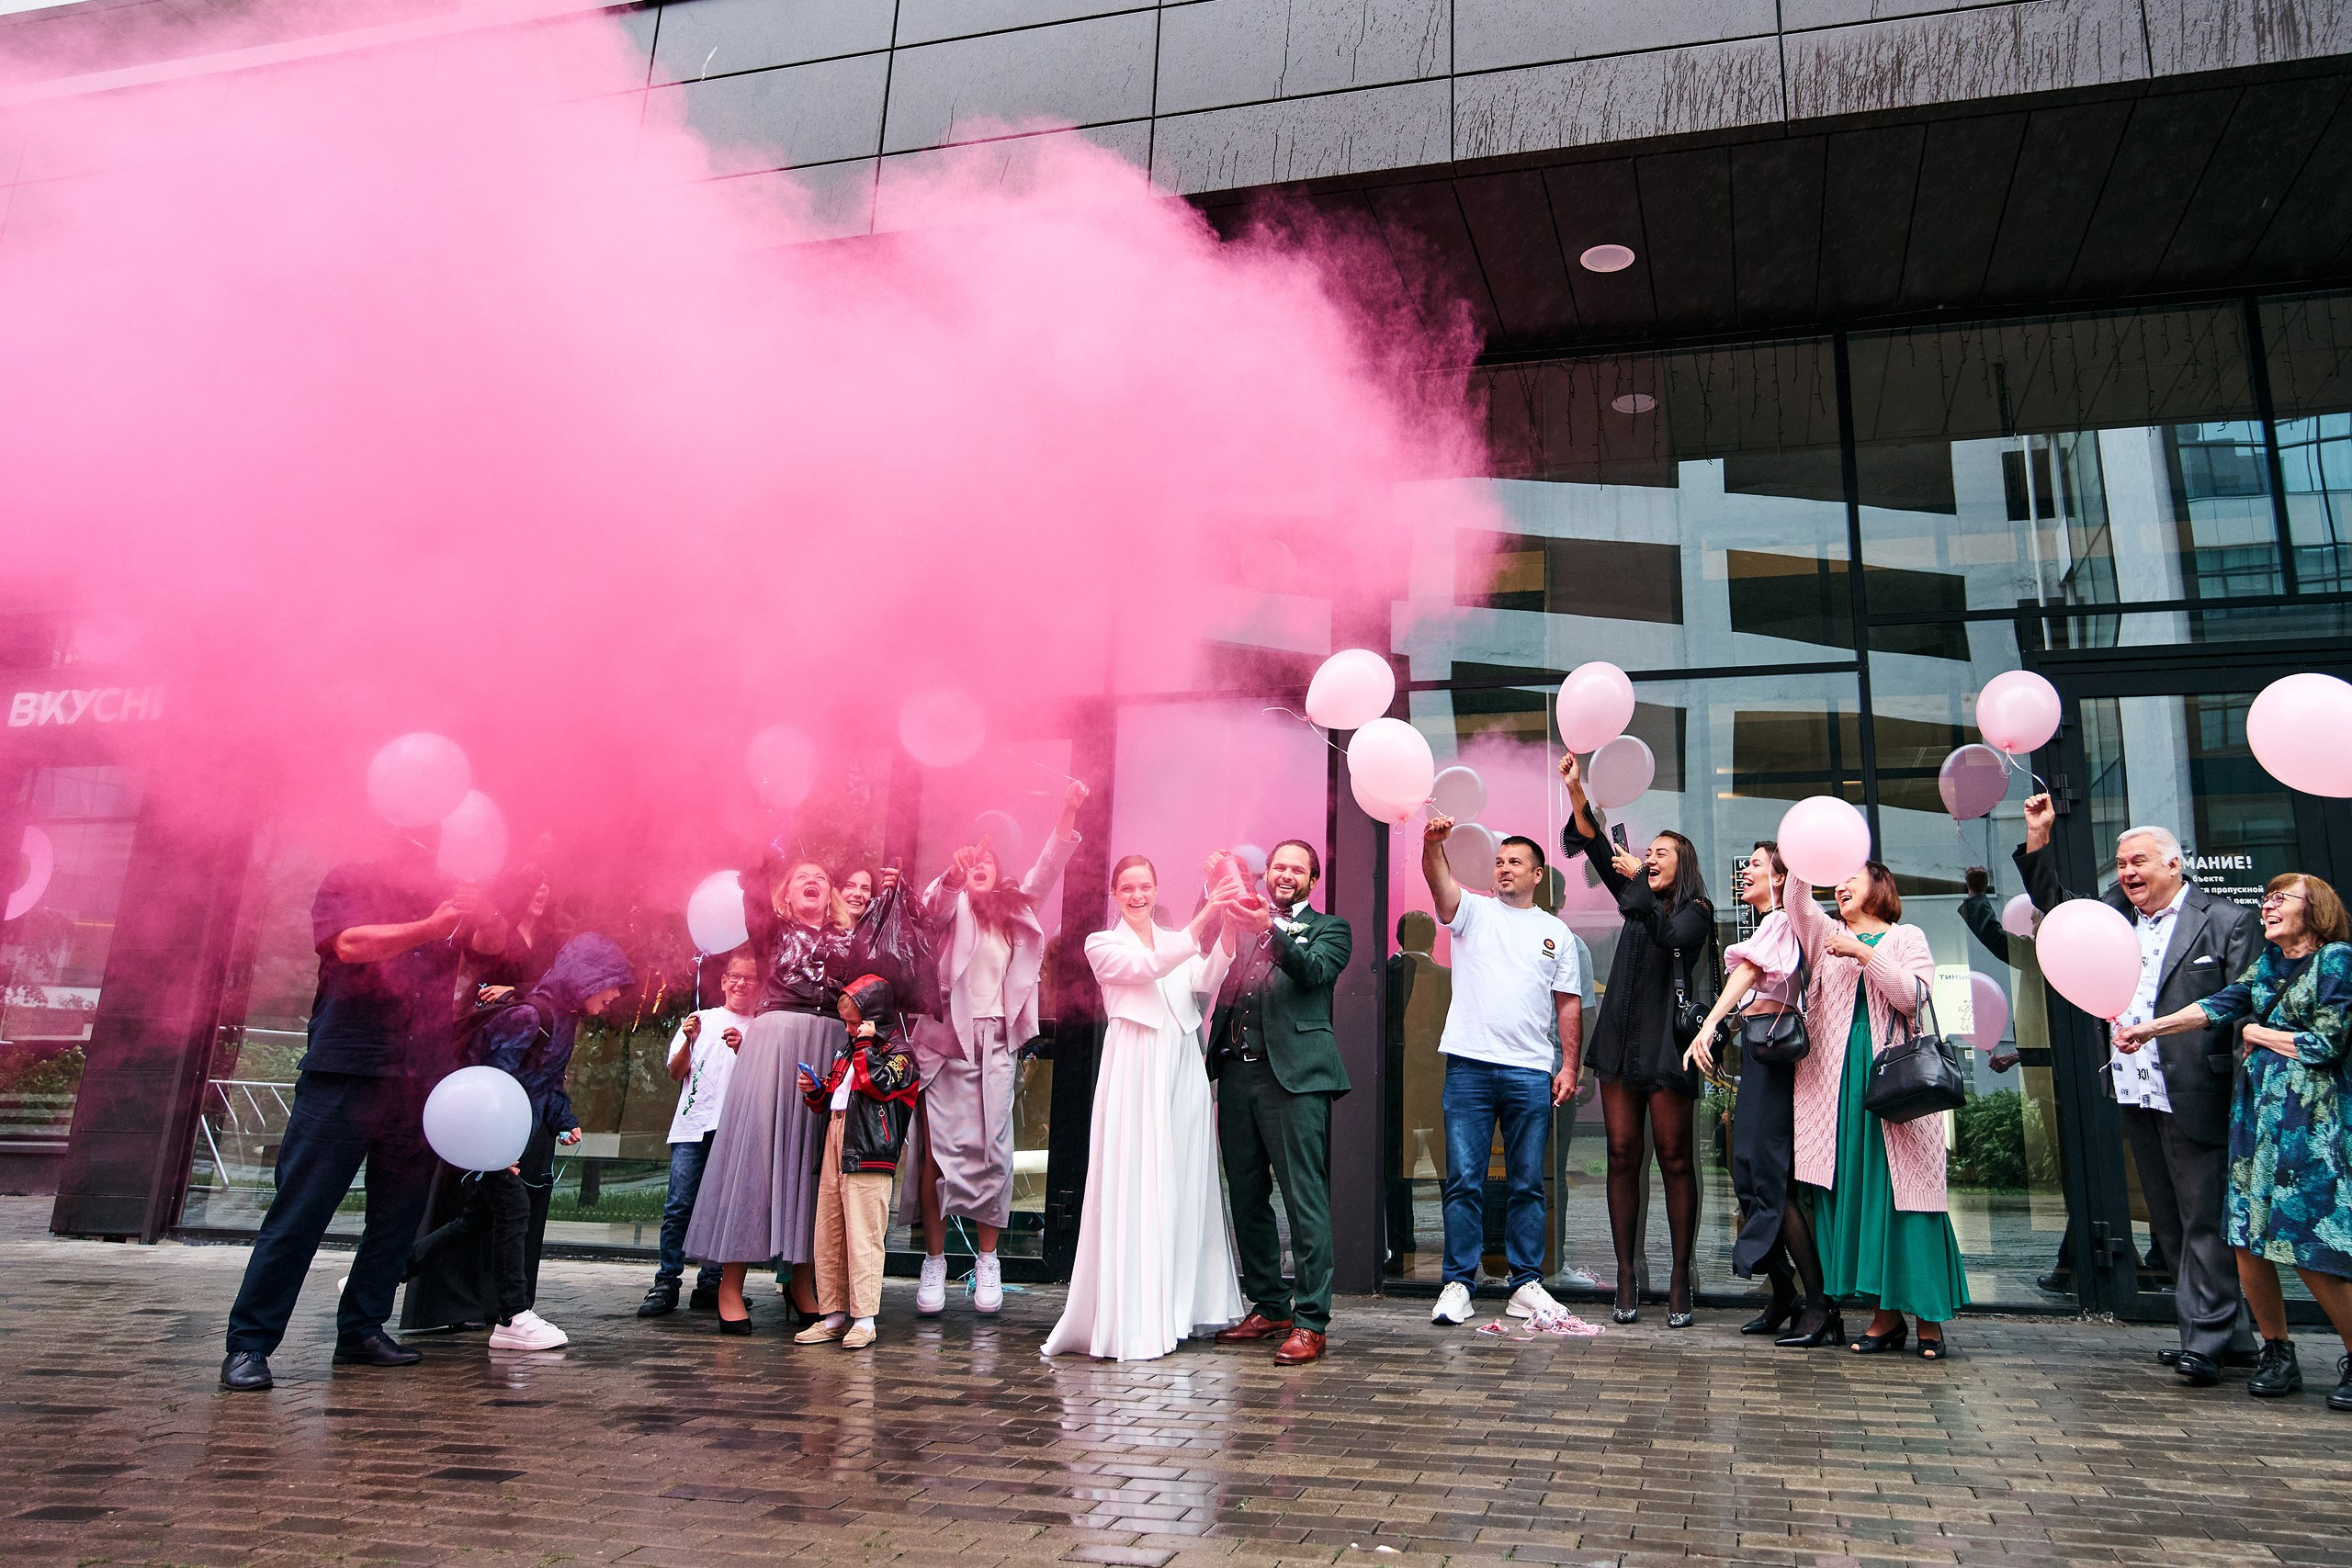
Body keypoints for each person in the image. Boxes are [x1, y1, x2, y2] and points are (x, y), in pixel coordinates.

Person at [219, 832, 508, 1392]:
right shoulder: (351, 877)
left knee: (396, 1220)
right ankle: (249, 1345)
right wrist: (431, 924)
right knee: (300, 1214)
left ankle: (362, 1329)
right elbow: (349, 944)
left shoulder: (452, 893)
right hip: (345, 1074)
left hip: (419, 1078)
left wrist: (483, 904)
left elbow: (494, 946)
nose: (429, 852)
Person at [2017, 798, 2261, 1382]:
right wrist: (2038, 839)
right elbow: (2058, 912)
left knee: (2204, 1217)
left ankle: (2208, 1339)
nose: (2127, 873)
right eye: (2122, 864)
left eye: (2140, 862)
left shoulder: (2225, 920)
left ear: (2175, 865)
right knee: (2171, 1222)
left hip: (2197, 1091)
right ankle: (2224, 1336)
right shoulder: (2114, 915)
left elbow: (2248, 1003)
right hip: (2134, 1089)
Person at [2118, 872, 2352, 1411]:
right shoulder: (2268, 963)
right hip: (2257, 1119)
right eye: (2265, 898)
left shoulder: (2336, 959)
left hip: (2309, 1123)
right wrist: (2147, 1031)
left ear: (2313, 908)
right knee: (2246, 1239)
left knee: (2313, 1245)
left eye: (2280, 899)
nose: (2267, 907)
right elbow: (2217, 1006)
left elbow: (2327, 1042)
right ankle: (2277, 1351)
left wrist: (2257, 1034)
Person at [1043, 855, 1244, 1360]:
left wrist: (1229, 929)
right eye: (1128, 887)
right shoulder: (1102, 943)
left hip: (1180, 1060)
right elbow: (1144, 968)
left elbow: (1203, 978)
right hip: (1136, 1062)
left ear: (1156, 889)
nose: (1137, 895)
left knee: (1182, 1176)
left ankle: (1179, 1307)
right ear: (1115, 893)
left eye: (1145, 886)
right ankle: (1134, 1314)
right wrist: (1202, 921)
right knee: (1140, 1176)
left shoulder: (1175, 936)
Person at [402, 933, 635, 1350]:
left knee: (475, 1221)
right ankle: (513, 1317)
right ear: (587, 978)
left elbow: (544, 1081)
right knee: (514, 1212)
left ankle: (384, 1272)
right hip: (490, 1142)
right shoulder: (529, 1017)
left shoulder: (564, 1018)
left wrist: (564, 1120)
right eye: (611, 983)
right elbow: (491, 1082)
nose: (615, 995)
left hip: (503, 1142)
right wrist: (496, 1148)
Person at [909, 778, 1088, 1317]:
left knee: (994, 1157)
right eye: (974, 856)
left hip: (996, 1047)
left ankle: (989, 1261)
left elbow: (1048, 868)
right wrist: (951, 876)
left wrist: (1067, 809)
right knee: (940, 1158)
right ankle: (934, 1262)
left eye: (992, 857)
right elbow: (929, 904)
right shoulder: (950, 906)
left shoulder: (1015, 908)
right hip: (947, 1046)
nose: (982, 863)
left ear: (1001, 868)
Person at [1783, 861, 1965, 1358]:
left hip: (1896, 1084)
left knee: (1908, 1198)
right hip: (1838, 1086)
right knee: (1860, 1194)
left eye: (1852, 878)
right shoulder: (1825, 934)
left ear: (1878, 886)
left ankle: (1929, 1319)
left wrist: (1864, 953)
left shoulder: (1907, 937)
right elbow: (1797, 903)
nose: (1841, 886)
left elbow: (1912, 997)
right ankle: (1885, 1319)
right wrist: (1805, 855)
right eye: (1836, 880)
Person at [1558, 753, 1713, 1327]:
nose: (1649, 860)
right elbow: (1596, 845)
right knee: (1622, 1155)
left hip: (1668, 1045)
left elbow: (1670, 934)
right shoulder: (1636, 897)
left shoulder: (1697, 909)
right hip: (1621, 1037)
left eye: (1660, 855)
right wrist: (1577, 790)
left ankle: (1678, 1277)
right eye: (1648, 854)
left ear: (1683, 864)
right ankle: (1627, 1274)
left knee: (1674, 1158)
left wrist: (1638, 884)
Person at [1419, 817, 1584, 1328]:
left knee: (1528, 1183)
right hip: (1469, 1066)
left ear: (1538, 874)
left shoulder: (1557, 932)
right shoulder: (1473, 911)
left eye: (1515, 862)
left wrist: (1570, 1065)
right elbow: (1440, 886)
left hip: (1531, 1071)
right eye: (1499, 861)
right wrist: (1433, 846)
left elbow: (1569, 1006)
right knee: (1464, 1180)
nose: (1504, 868)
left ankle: (1524, 1285)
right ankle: (1458, 1284)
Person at [682, 855, 854, 1334]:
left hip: (829, 1044)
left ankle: (802, 1282)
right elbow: (753, 889)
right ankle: (729, 1286)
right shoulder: (771, 930)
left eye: (822, 877)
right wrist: (764, 849)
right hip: (777, 1042)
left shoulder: (847, 940)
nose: (813, 881)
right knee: (757, 1158)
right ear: (787, 892)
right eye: (803, 876)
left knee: (811, 1167)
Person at [1685, 842, 1838, 1348]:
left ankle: (1817, 1303)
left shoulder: (1781, 922)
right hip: (1757, 1057)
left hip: (1773, 1064)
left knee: (1767, 1178)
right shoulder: (1767, 926)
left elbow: (1750, 974)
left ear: (1780, 878)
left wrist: (1707, 1027)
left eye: (1756, 863)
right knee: (1748, 1171)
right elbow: (1750, 988)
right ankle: (1784, 1296)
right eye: (1746, 862)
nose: (1745, 870)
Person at [1206, 840, 1352, 1365]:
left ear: (1313, 879)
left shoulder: (1332, 929)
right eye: (1278, 867)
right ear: (1266, 873)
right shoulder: (1243, 922)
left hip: (1295, 1080)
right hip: (1237, 1076)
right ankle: (1271, 1304)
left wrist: (1268, 929)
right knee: (1246, 1197)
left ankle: (1312, 1320)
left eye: (1297, 869)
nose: (1286, 875)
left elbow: (1312, 972)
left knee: (1303, 1199)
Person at [794, 974, 920, 1350]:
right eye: (846, 1023)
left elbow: (877, 1085)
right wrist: (816, 1091)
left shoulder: (900, 1054)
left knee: (864, 1234)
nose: (849, 1029)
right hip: (836, 1138)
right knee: (829, 1231)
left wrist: (865, 1044)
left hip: (869, 1150)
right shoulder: (851, 1050)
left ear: (876, 1017)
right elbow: (835, 1097)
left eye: (854, 1022)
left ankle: (864, 1320)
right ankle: (831, 1316)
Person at [637, 948, 760, 1317]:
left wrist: (745, 1050)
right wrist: (689, 1040)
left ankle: (712, 1282)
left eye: (750, 979)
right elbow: (676, 1073)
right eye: (735, 977)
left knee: (723, 1209)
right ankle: (666, 1281)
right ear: (723, 981)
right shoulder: (700, 1019)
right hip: (693, 1127)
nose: (741, 984)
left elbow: (762, 1081)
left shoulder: (761, 1026)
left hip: (734, 1130)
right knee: (678, 1206)